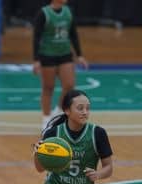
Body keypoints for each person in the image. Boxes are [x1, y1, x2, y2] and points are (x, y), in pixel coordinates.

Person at [33, 0, 89, 130]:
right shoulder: (44, 13)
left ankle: (57, 112)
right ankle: (46, 119)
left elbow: (73, 34)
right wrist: (36, 60)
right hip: (47, 55)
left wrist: (79, 55)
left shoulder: (68, 11)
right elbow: (36, 37)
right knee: (48, 87)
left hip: (65, 54)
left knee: (69, 85)